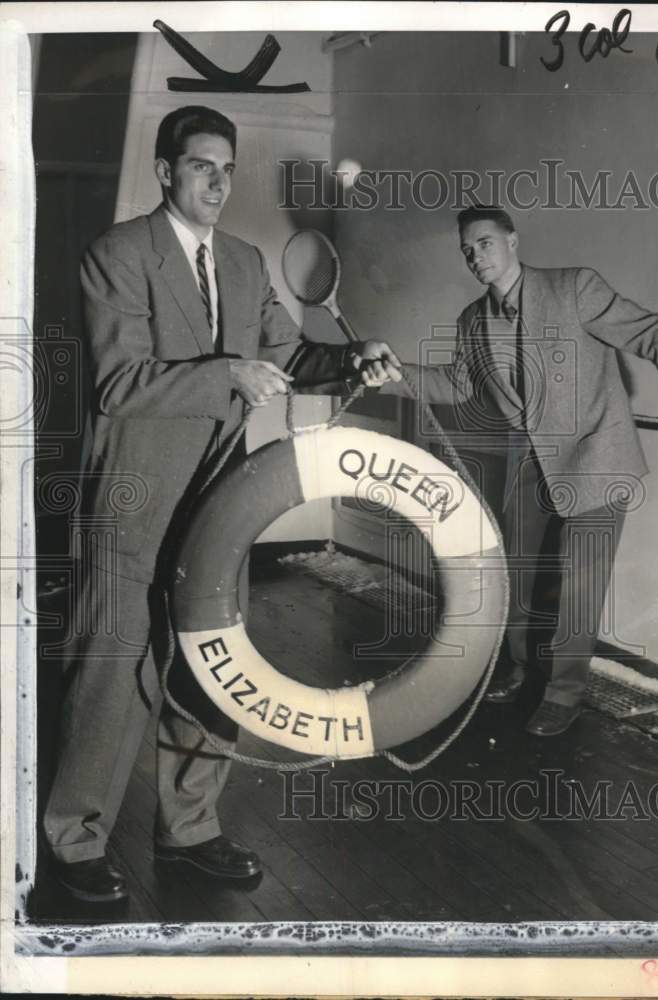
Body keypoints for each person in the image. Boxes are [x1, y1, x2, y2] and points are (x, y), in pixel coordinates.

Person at [43, 105, 401, 903]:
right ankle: (75, 838)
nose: (217, 180)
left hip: (218, 502)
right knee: (115, 666)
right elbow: (117, 381)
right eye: (201, 165)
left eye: (227, 168)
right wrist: (228, 375)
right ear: (166, 172)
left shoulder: (242, 262)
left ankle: (190, 828)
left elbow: (291, 352)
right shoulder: (118, 253)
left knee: (214, 663)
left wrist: (350, 359)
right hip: (132, 497)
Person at [380, 205, 658, 738]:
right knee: (515, 571)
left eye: (486, 243)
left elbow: (654, 332)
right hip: (529, 462)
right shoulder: (473, 320)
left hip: (596, 458)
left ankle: (564, 695)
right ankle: (520, 668)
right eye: (467, 250)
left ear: (513, 241)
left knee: (577, 585)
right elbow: (460, 386)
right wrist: (395, 373)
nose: (476, 257)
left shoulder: (574, 288)